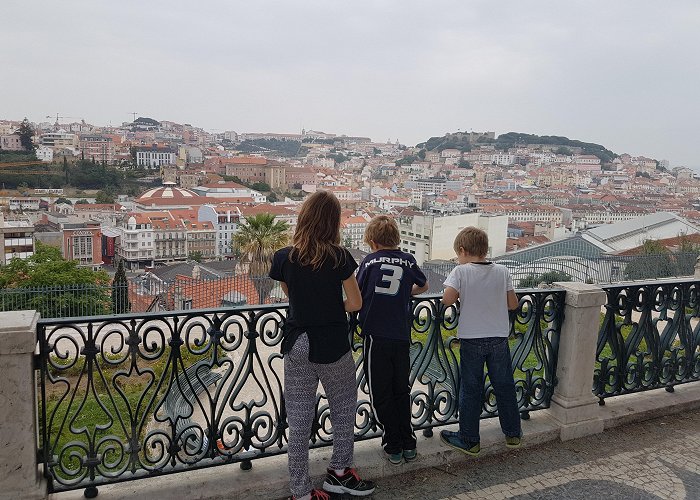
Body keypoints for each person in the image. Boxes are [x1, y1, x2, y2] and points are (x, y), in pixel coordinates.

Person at [269, 190, 376, 500]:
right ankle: (340, 472)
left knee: (299, 420)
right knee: (343, 409)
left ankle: (301, 491)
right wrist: (331, 306)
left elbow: (292, 296)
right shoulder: (340, 257)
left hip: (297, 343)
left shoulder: (284, 257)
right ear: (333, 222)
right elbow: (355, 303)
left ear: (304, 218)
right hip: (331, 345)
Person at [439, 226, 522, 456]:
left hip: (472, 339)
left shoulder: (461, 271)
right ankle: (513, 434)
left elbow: (447, 299)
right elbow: (513, 304)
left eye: (458, 253)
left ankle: (469, 439)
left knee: (471, 389)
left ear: (463, 251)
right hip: (498, 337)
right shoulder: (503, 271)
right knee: (504, 386)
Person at [356, 215, 428, 465]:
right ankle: (409, 441)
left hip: (376, 335)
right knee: (401, 389)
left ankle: (392, 443)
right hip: (400, 335)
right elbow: (424, 285)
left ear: (372, 241)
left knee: (380, 392)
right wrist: (404, 294)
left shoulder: (368, 262)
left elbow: (357, 293)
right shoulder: (408, 260)